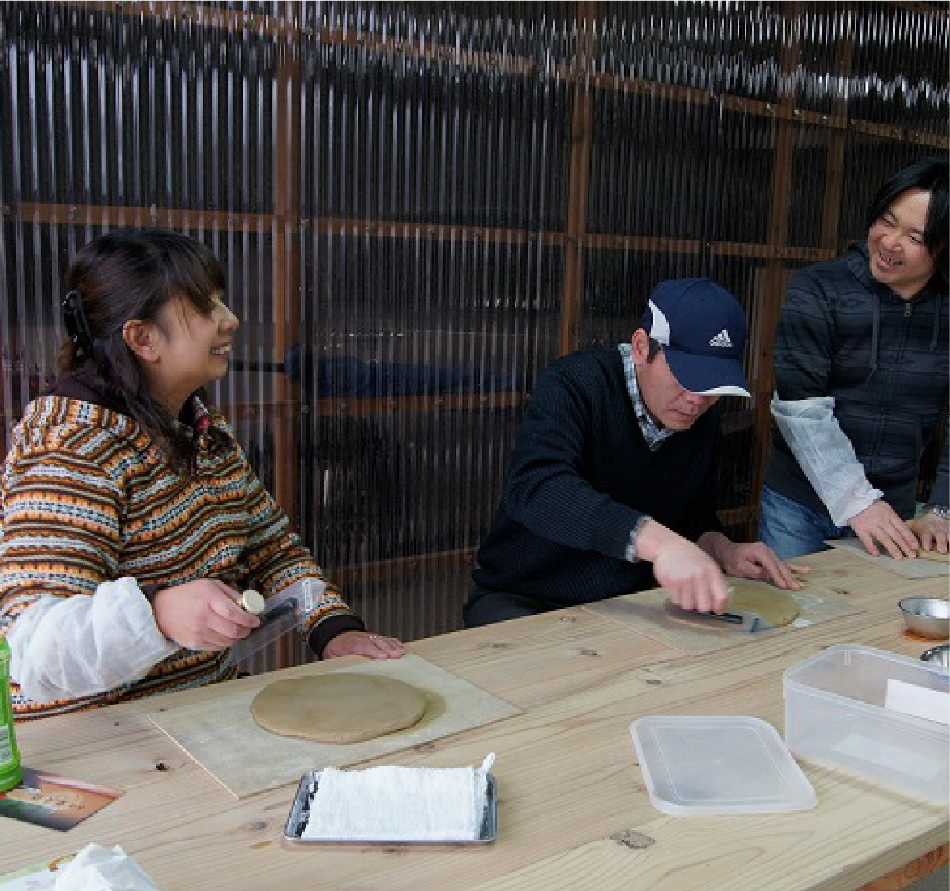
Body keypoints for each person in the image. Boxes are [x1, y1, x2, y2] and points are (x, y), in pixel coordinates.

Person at [0, 229, 404, 720]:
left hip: (196, 708)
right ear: (142, 338)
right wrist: (157, 613)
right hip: (97, 739)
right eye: (205, 306)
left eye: (221, 301)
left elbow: (271, 549)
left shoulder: (201, 431)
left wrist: (334, 629)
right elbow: (33, 648)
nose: (230, 320)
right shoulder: (71, 449)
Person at [463, 277, 802, 628]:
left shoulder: (701, 417)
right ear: (641, 347)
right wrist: (655, 542)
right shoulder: (575, 384)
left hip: (628, 605)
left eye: (714, 385)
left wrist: (724, 550)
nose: (698, 400)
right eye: (688, 377)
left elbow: (693, 519)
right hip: (526, 599)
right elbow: (537, 487)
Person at [760, 156, 949, 560]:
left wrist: (941, 507)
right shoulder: (818, 291)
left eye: (915, 238)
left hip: (892, 506)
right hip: (799, 507)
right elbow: (800, 408)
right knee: (795, 618)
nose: (889, 242)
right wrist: (856, 500)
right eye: (887, 219)